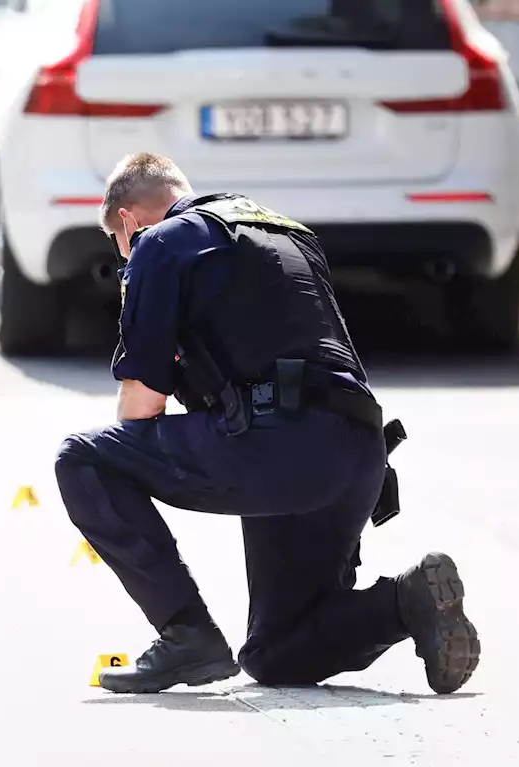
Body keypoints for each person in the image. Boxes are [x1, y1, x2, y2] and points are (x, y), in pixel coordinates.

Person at [54, 153, 480, 695]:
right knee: (278, 654)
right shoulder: (286, 233)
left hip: (279, 448)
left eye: (120, 244)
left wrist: (135, 462)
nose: (126, 256)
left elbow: (142, 405)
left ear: (130, 220)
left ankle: (186, 634)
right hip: (357, 453)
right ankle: (406, 600)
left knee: (84, 457)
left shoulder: (159, 243)